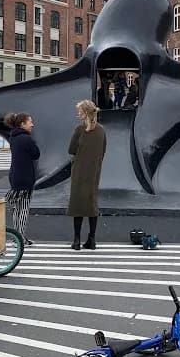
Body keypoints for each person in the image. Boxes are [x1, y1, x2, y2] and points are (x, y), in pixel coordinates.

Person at [67, 100, 106, 250]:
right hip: (94, 172)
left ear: (84, 113)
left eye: (79, 111)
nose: (78, 114)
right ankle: (92, 239)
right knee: (92, 204)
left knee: (77, 205)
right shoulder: (101, 131)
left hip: (79, 172)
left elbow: (71, 149)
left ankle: (76, 240)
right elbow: (103, 151)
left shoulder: (79, 130)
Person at [3, 112, 41, 245]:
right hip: (26, 178)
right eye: (30, 122)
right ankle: (20, 238)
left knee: (16, 208)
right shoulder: (26, 139)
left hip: (15, 177)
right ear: (22, 124)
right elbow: (36, 154)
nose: (32, 124)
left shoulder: (13, 137)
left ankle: (17, 238)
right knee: (23, 209)